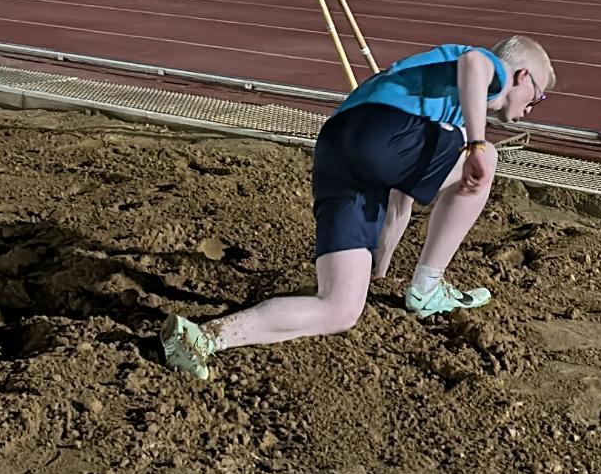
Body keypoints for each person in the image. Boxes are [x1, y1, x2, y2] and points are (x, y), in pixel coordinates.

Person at [160, 37, 557, 380]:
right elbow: (474, 64)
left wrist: (378, 273)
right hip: (380, 129)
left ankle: (205, 338)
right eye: (537, 98)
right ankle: (429, 286)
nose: (531, 109)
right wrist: (476, 144)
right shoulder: (495, 71)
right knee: (484, 166)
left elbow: (399, 206)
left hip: (338, 151)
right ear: (523, 77)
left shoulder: (435, 115)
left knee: (340, 308)